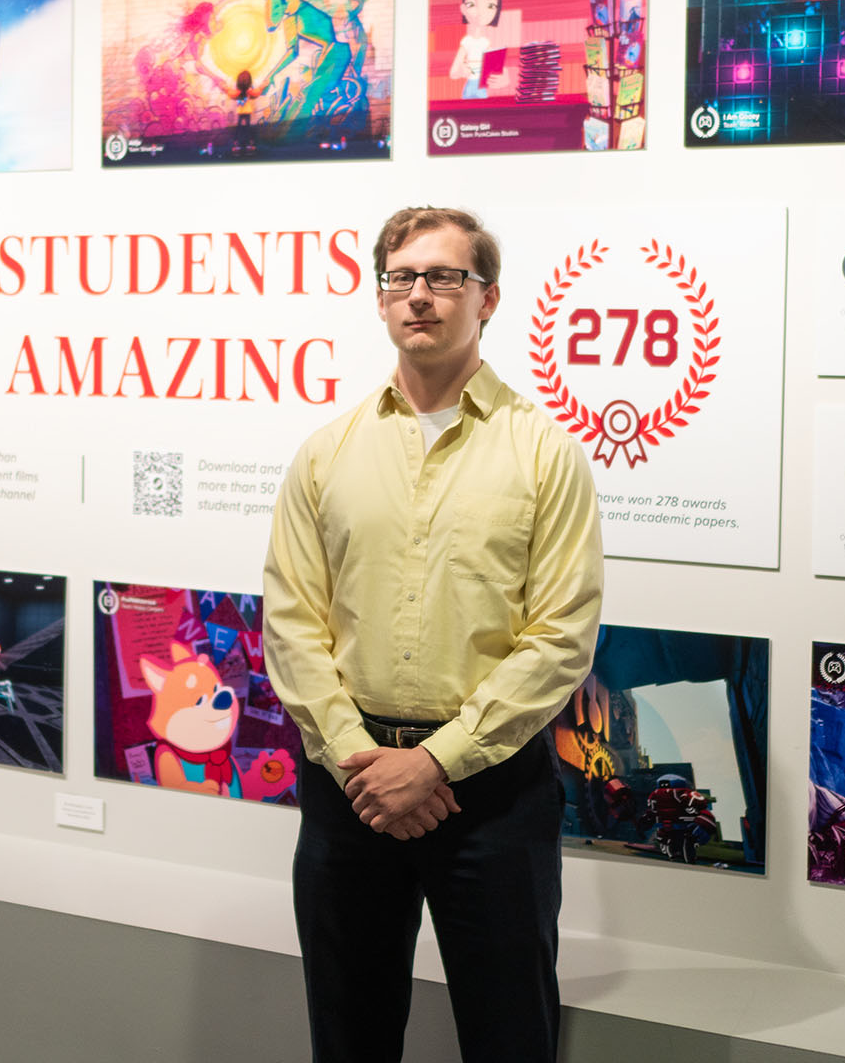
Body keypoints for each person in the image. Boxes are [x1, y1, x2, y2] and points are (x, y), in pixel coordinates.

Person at [263, 206, 604, 1063]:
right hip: (352, 792)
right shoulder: (325, 454)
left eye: (445, 277)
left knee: (510, 1037)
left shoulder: (544, 454)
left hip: (489, 798)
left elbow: (559, 637)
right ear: (380, 300)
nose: (421, 296)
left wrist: (435, 761)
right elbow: (292, 622)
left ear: (487, 299)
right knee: (349, 1035)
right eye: (402, 278)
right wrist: (358, 759)